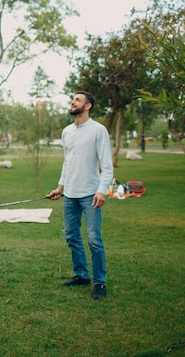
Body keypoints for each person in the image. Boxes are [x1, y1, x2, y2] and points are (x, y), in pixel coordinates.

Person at [47, 91, 113, 299]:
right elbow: (68, 162)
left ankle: (100, 282)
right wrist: (60, 187)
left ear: (88, 106)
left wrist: (102, 191)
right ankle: (82, 275)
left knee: (94, 239)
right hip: (70, 195)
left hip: (91, 194)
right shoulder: (67, 132)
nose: (73, 102)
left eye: (78, 100)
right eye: (72, 99)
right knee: (71, 236)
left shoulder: (98, 130)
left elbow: (107, 166)